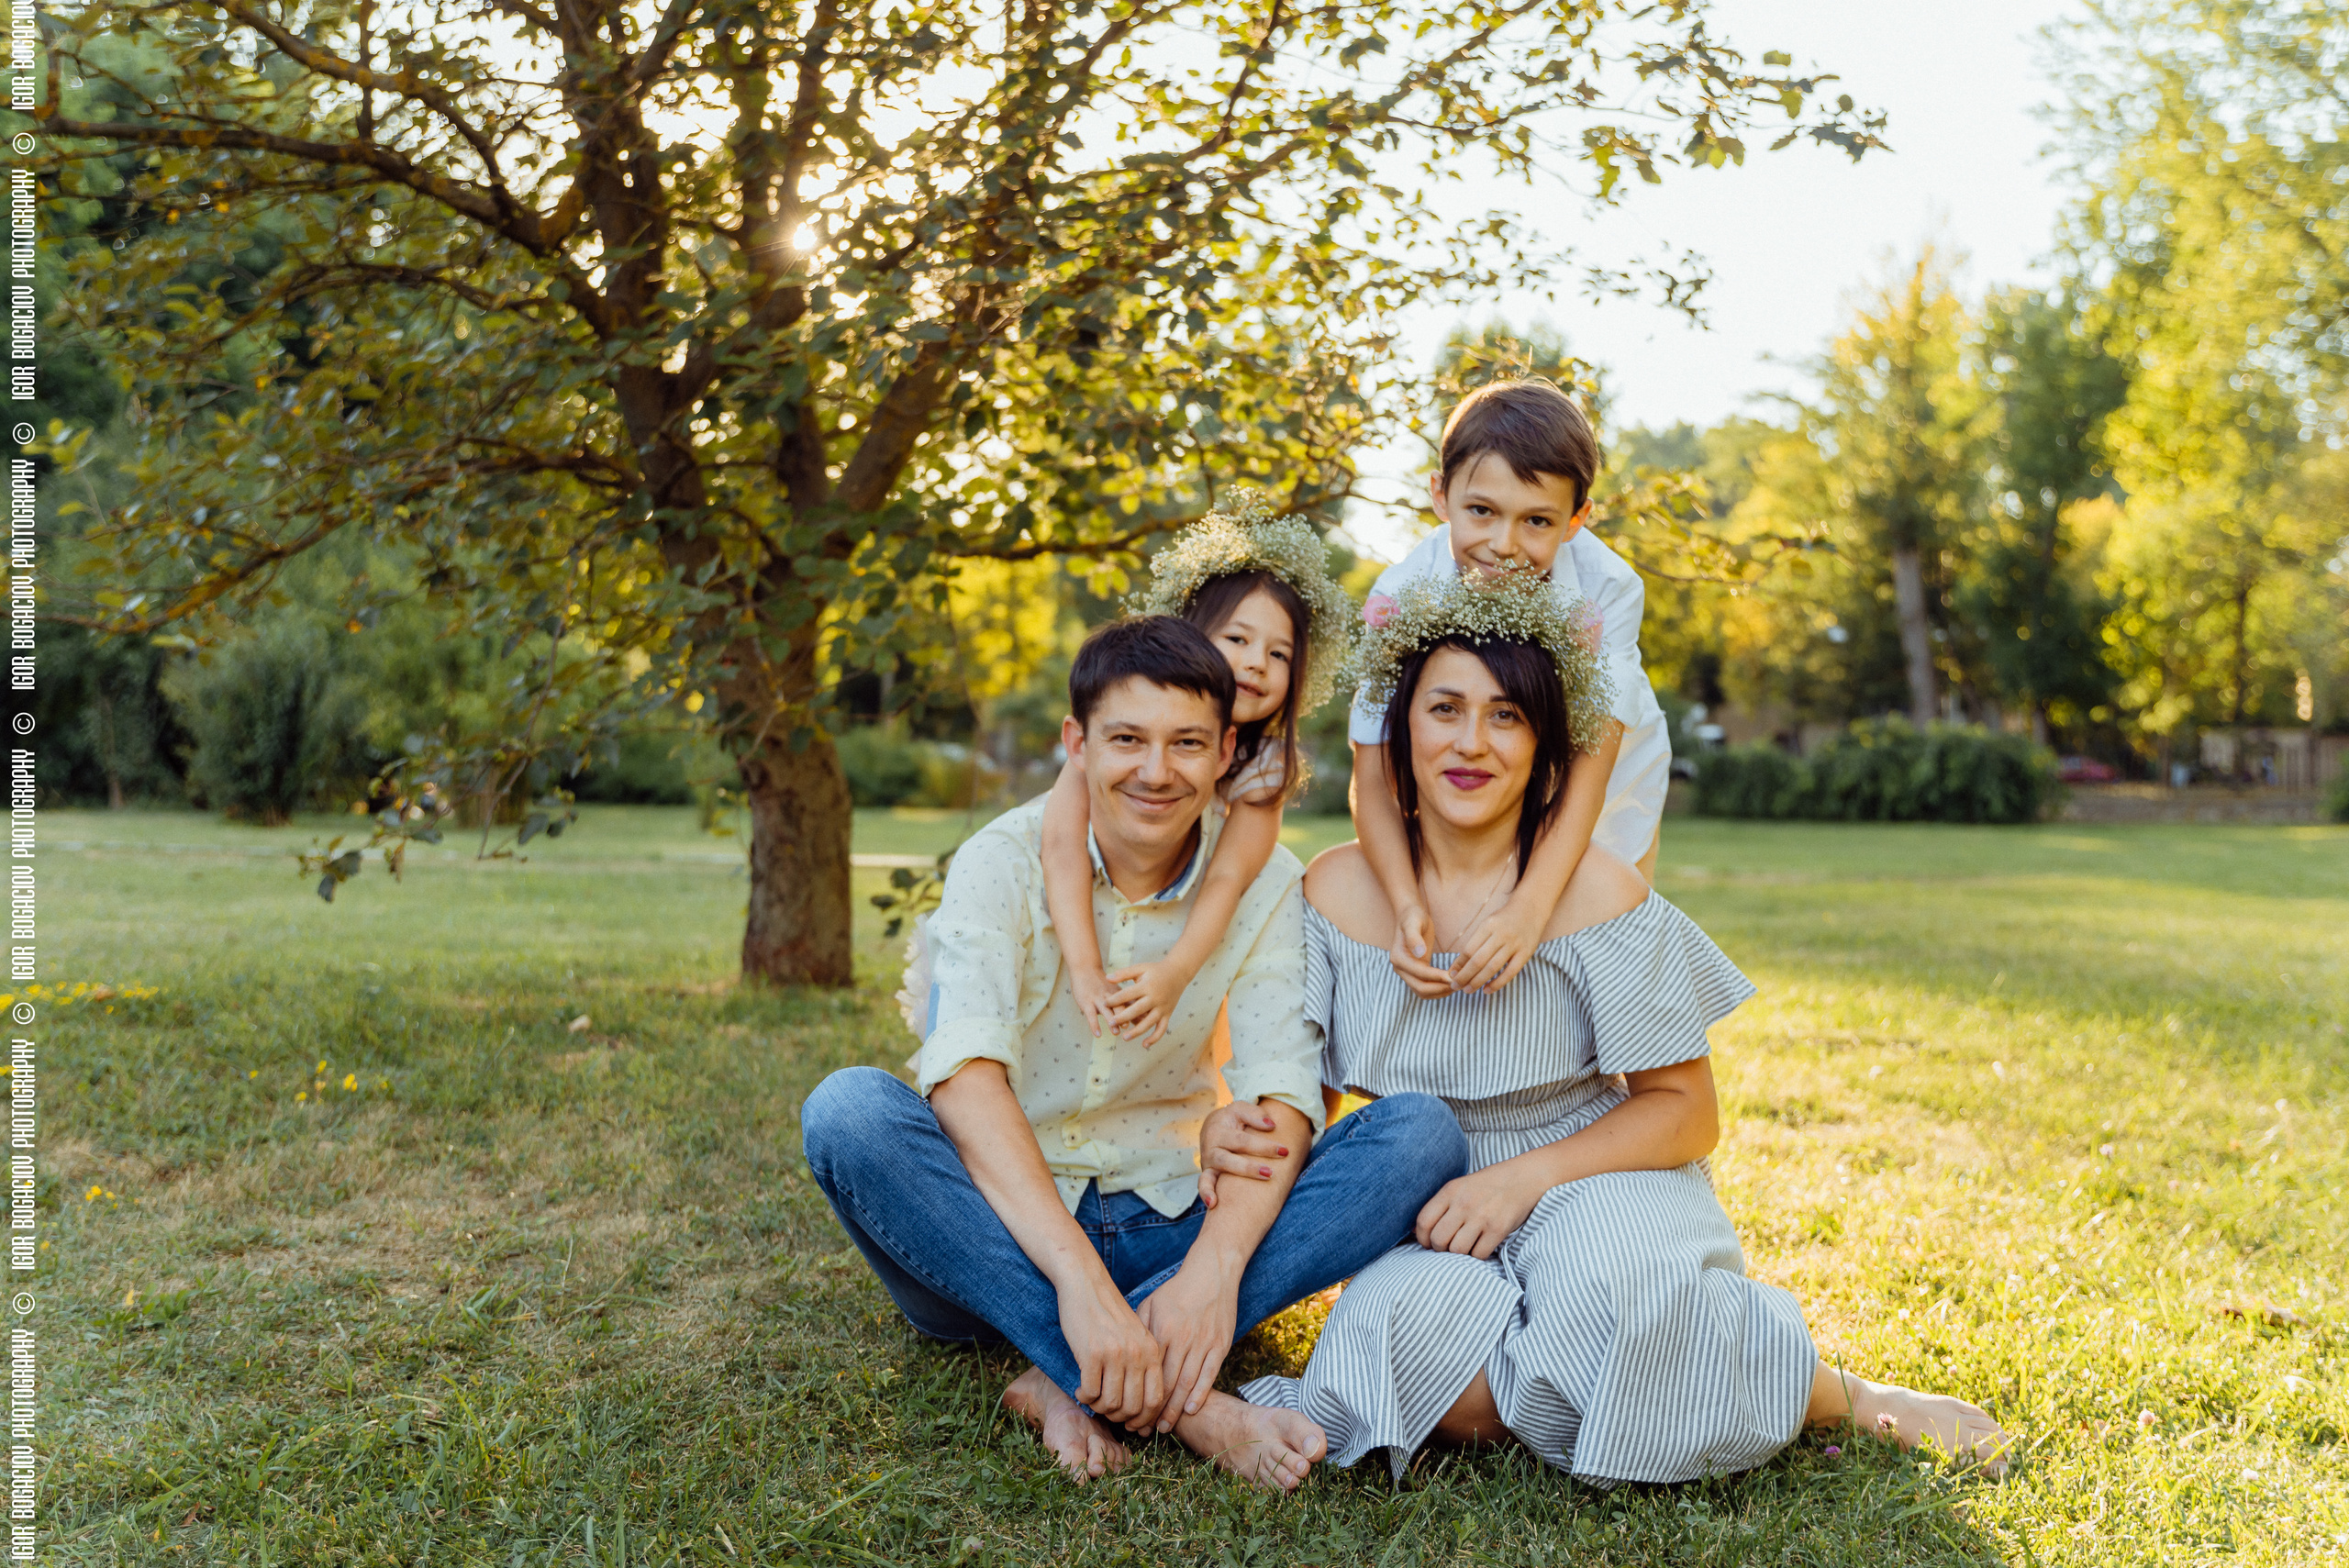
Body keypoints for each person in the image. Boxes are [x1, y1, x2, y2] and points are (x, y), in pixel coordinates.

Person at [1230, 570, 2013, 1485]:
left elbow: (1684, 1108)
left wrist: (1523, 1179)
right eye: (1443, 709)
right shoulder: (1330, 891)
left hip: (1591, 1161)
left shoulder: (1598, 890)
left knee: (1617, 1298)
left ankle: (1835, 1391)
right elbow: (1312, 1109)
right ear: (1402, 727)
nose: (1470, 742)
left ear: (1542, 744)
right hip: (1425, 1182)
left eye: (1506, 717)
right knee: (1410, 1352)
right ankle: (1590, 1376)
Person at [803, 617, 1468, 1492]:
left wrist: (1214, 1270)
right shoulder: (999, 859)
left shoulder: (1269, 885)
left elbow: (1283, 1088)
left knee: (1420, 1133)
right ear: (1076, 741)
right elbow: (965, 1076)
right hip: (999, 1230)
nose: (1156, 772)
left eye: (1186, 743)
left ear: (1227, 749)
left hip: (1175, 1211)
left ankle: (1080, 1361)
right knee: (849, 1111)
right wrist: (1076, 1278)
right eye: (1126, 739)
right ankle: (1175, 1394)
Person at [1349, 378, 1670, 999]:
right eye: (1482, 511)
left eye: (1537, 520)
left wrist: (1529, 909)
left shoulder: (1609, 589)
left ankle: (1616, 1071)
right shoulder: (1402, 593)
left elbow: (1592, 767)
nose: (1504, 544)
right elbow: (1372, 772)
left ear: (1577, 518)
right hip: (1483, 745)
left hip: (1605, 766)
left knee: (1595, 917)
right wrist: (1405, 899)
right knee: (1469, 899)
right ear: (1441, 496)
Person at [1041, 488, 1355, 1045]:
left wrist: (1175, 974)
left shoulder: (1263, 771)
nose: (1257, 662)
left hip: (1179, 936)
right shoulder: (1115, 732)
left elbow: (1229, 879)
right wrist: (1086, 969)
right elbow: (1064, 845)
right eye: (1237, 638)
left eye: (1279, 653)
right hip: (1086, 916)